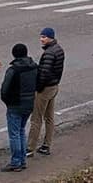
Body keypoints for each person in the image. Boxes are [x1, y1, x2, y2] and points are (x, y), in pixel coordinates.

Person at [0, 43, 37, 172]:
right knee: (21, 131)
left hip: (15, 105)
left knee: (14, 134)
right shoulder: (34, 67)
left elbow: (5, 89)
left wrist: (7, 102)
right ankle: (22, 160)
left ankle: (16, 162)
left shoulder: (13, 70)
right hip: (29, 104)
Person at [28, 27, 64, 157]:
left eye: (44, 37)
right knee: (49, 117)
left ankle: (30, 147)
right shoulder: (58, 49)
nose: (41, 39)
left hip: (45, 89)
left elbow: (44, 73)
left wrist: (38, 87)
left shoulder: (49, 53)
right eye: (41, 36)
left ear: (50, 38)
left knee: (36, 119)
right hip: (54, 86)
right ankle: (46, 145)